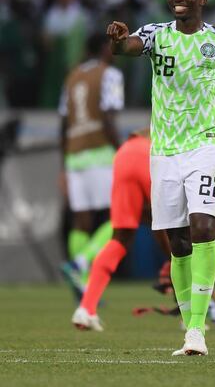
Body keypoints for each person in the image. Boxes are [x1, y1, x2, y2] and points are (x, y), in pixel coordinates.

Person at [106, 0, 215, 356]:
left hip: (205, 148)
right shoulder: (158, 35)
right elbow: (128, 48)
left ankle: (196, 331)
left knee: (205, 226)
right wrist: (118, 41)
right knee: (178, 241)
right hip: (165, 153)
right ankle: (191, 321)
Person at [70, 130, 215, 331]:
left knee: (120, 238)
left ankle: (86, 309)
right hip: (155, 156)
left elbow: (158, 221)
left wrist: (174, 261)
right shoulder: (208, 157)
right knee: (190, 227)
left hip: (126, 152)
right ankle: (189, 317)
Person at [59, 34, 123, 291]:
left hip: (74, 153)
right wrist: (121, 150)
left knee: (81, 221)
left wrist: (63, 164)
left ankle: (82, 283)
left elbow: (63, 122)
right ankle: (80, 264)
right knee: (116, 219)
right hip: (100, 151)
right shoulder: (109, 74)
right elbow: (108, 114)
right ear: (104, 48)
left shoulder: (72, 77)